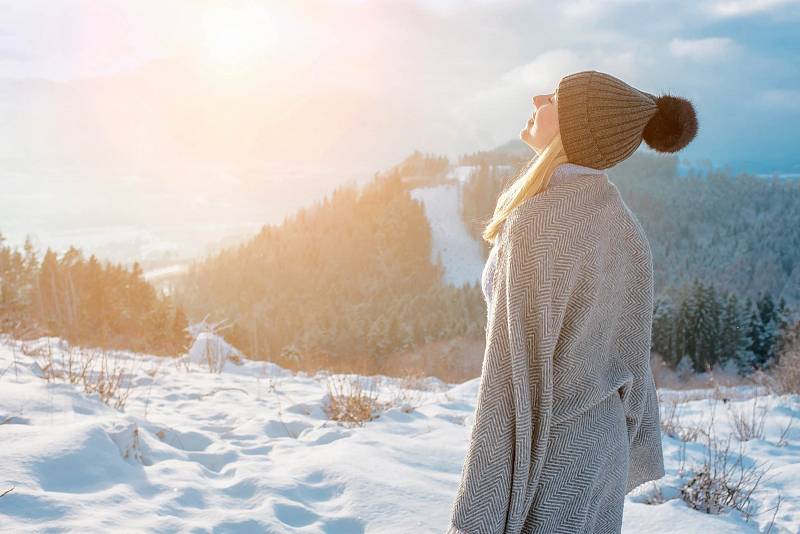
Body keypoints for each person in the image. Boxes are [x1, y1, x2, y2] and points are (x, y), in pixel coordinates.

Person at [445, 70, 699, 534]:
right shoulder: (625, 226)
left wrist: (477, 512)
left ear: (573, 129)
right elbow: (633, 360)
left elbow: (509, 378)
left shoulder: (535, 226)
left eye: (555, 97)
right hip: (603, 451)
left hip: (551, 456)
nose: (538, 97)